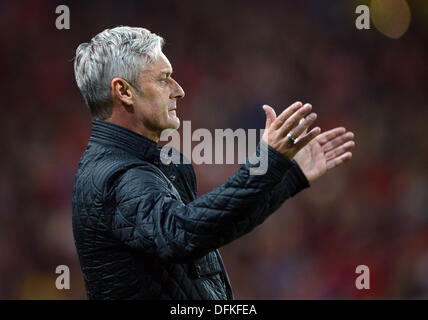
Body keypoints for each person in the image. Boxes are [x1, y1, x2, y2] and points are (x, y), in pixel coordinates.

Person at [72, 26, 355, 300]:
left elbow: (212, 229)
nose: (179, 90)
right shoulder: (120, 175)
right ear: (123, 91)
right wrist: (266, 161)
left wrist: (287, 177)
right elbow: (183, 234)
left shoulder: (139, 165)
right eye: (163, 79)